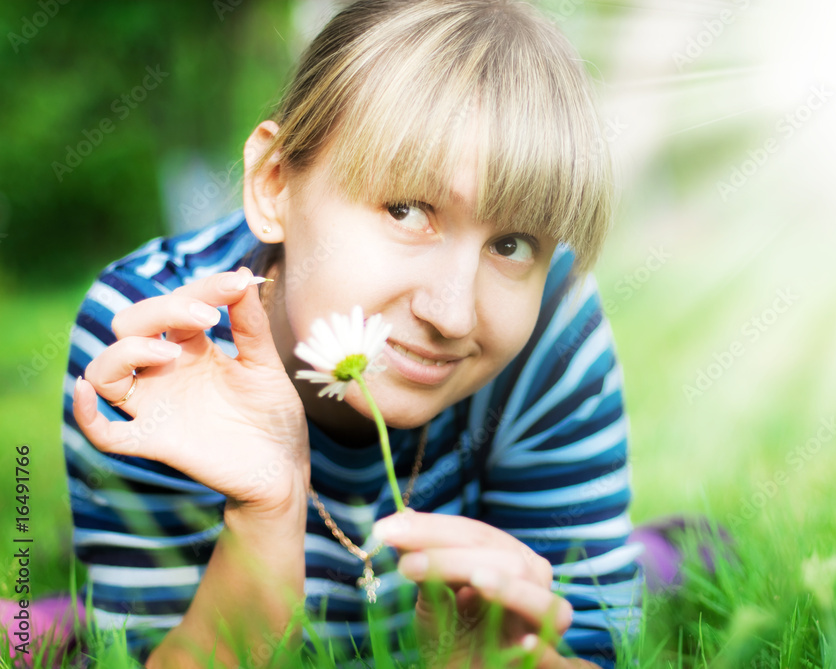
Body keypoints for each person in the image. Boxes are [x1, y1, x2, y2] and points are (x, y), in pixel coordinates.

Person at [63, 1, 645, 666]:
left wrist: (497, 659)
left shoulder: (553, 326)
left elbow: (596, 640)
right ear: (274, 184)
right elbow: (143, 653)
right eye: (408, 210)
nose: (453, 314)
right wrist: (265, 516)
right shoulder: (157, 340)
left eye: (510, 244)